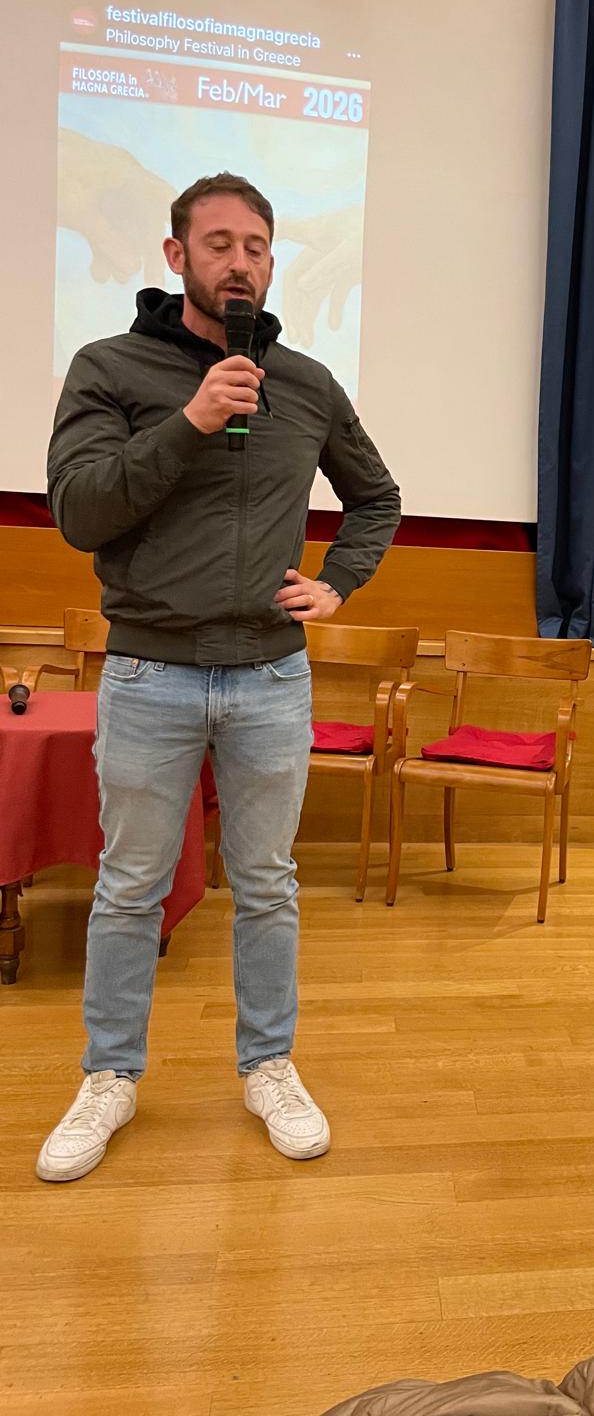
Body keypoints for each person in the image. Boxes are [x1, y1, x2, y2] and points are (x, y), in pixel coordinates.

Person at [38, 172, 402, 1182]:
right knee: (129, 888)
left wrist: (338, 583)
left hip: (270, 679)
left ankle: (268, 1065)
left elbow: (376, 497)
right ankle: (109, 1076)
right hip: (148, 671)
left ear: (272, 260)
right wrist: (189, 421)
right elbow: (80, 512)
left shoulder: (309, 384)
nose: (239, 262)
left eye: (256, 246)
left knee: (269, 885)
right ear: (176, 256)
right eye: (218, 243)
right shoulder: (108, 367)